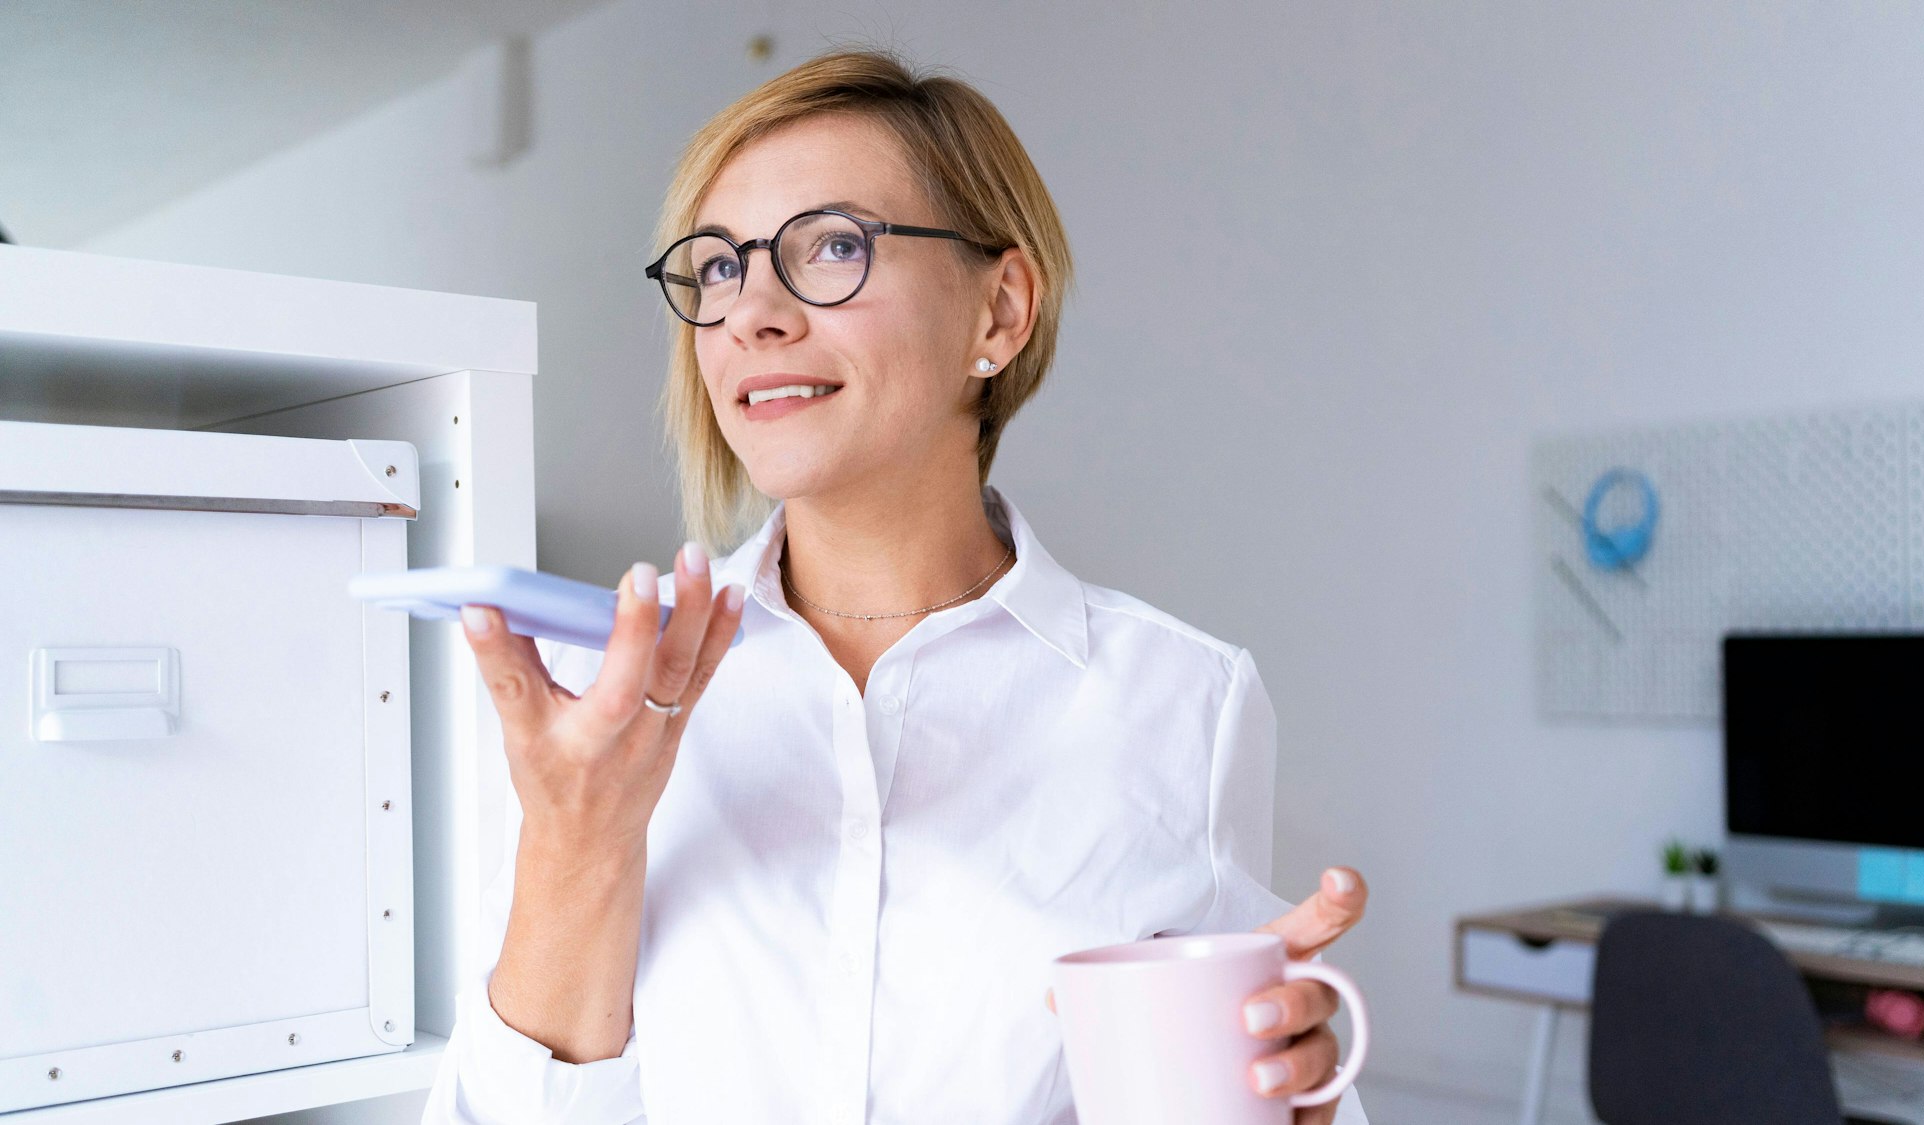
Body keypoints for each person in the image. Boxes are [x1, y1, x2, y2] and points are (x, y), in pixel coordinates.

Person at [422, 48, 1370, 1125]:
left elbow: (1212, 1091)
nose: (751, 314)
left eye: (831, 246)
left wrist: (1280, 1093)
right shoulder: (595, 695)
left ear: (998, 313)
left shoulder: (1183, 701)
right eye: (720, 268)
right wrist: (575, 844)